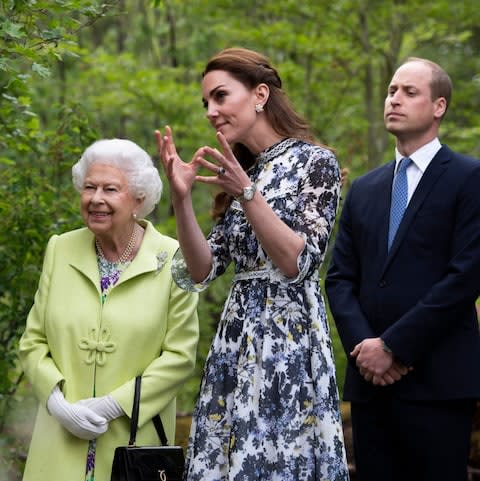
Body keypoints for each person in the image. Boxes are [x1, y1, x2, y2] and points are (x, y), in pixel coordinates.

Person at [155, 47, 349, 481]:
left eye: (220, 96)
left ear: (260, 94)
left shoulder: (315, 163)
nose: (211, 111)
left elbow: (297, 261)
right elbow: (201, 270)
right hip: (236, 341)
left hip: (288, 345)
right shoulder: (242, 172)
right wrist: (181, 197)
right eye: (205, 102)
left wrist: (248, 193)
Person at [326, 57, 480, 481]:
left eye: (409, 92)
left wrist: (394, 346)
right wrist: (366, 349)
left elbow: (466, 276)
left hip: (438, 380)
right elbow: (340, 278)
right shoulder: (364, 188)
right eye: (392, 90)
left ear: (439, 106)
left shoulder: (470, 178)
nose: (394, 99)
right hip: (371, 383)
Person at [18, 138, 199, 481]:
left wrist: (113, 405)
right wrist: (57, 404)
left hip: (132, 446)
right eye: (89, 187)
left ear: (139, 199)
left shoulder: (174, 258)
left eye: (110, 189)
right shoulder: (60, 249)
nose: (96, 199)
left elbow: (180, 355)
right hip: (60, 439)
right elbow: (33, 341)